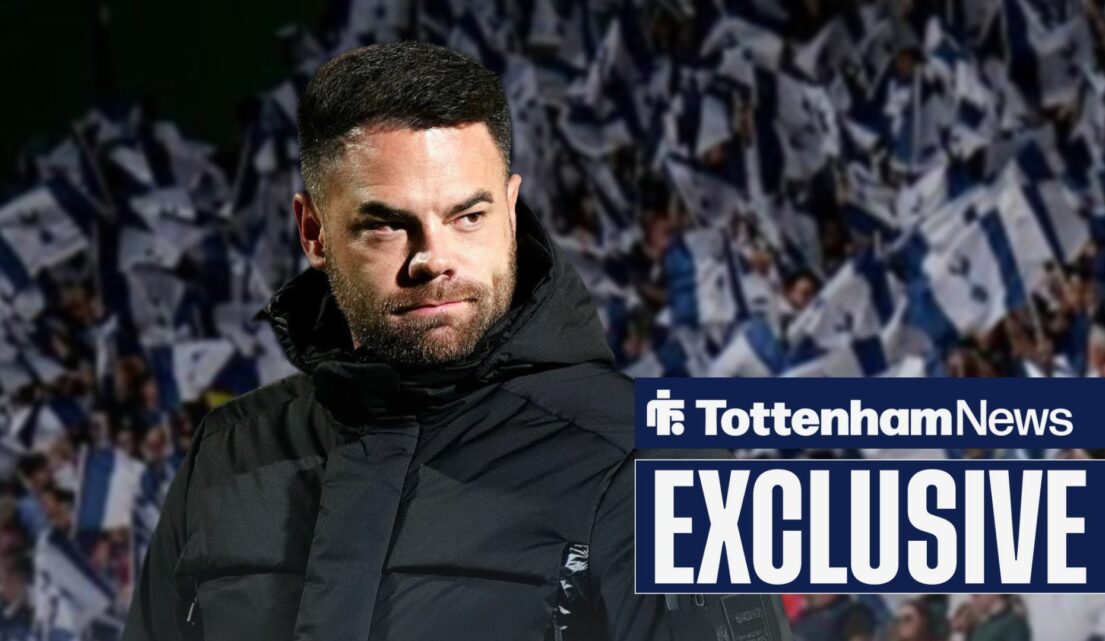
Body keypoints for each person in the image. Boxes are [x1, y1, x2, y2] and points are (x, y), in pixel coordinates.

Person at [121, 41, 791, 641]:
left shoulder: (665, 466)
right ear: (313, 232)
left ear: (510, 209)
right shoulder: (227, 453)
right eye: (387, 225)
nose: (433, 258)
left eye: (467, 215)